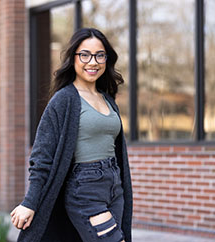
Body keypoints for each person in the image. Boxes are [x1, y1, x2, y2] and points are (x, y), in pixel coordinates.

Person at [10, 28, 133, 242]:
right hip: (85, 189)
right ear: (73, 58)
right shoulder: (64, 99)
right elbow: (42, 156)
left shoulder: (107, 99)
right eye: (85, 55)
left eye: (99, 55)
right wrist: (30, 201)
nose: (93, 62)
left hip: (114, 186)